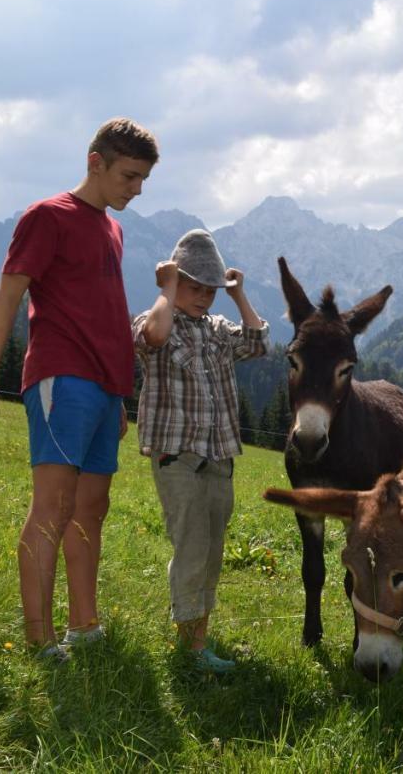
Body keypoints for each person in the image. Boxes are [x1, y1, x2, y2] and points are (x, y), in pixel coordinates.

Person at [0, 117, 159, 661]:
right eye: (129, 176)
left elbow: (104, 313)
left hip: (103, 388)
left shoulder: (112, 229)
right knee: (54, 504)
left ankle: (84, 625)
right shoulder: (47, 216)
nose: (137, 189)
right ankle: (39, 639)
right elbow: (7, 298)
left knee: (92, 507)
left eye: (143, 179)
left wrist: (119, 395)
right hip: (60, 378)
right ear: (95, 162)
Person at [133, 228, 268, 673]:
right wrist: (168, 290)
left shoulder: (217, 330)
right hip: (176, 456)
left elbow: (257, 342)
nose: (205, 298)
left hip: (218, 457)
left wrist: (238, 295)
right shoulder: (157, 322)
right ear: (175, 282)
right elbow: (153, 335)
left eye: (211, 290)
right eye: (196, 288)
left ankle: (199, 635)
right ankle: (191, 650)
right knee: (191, 545)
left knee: (212, 548)